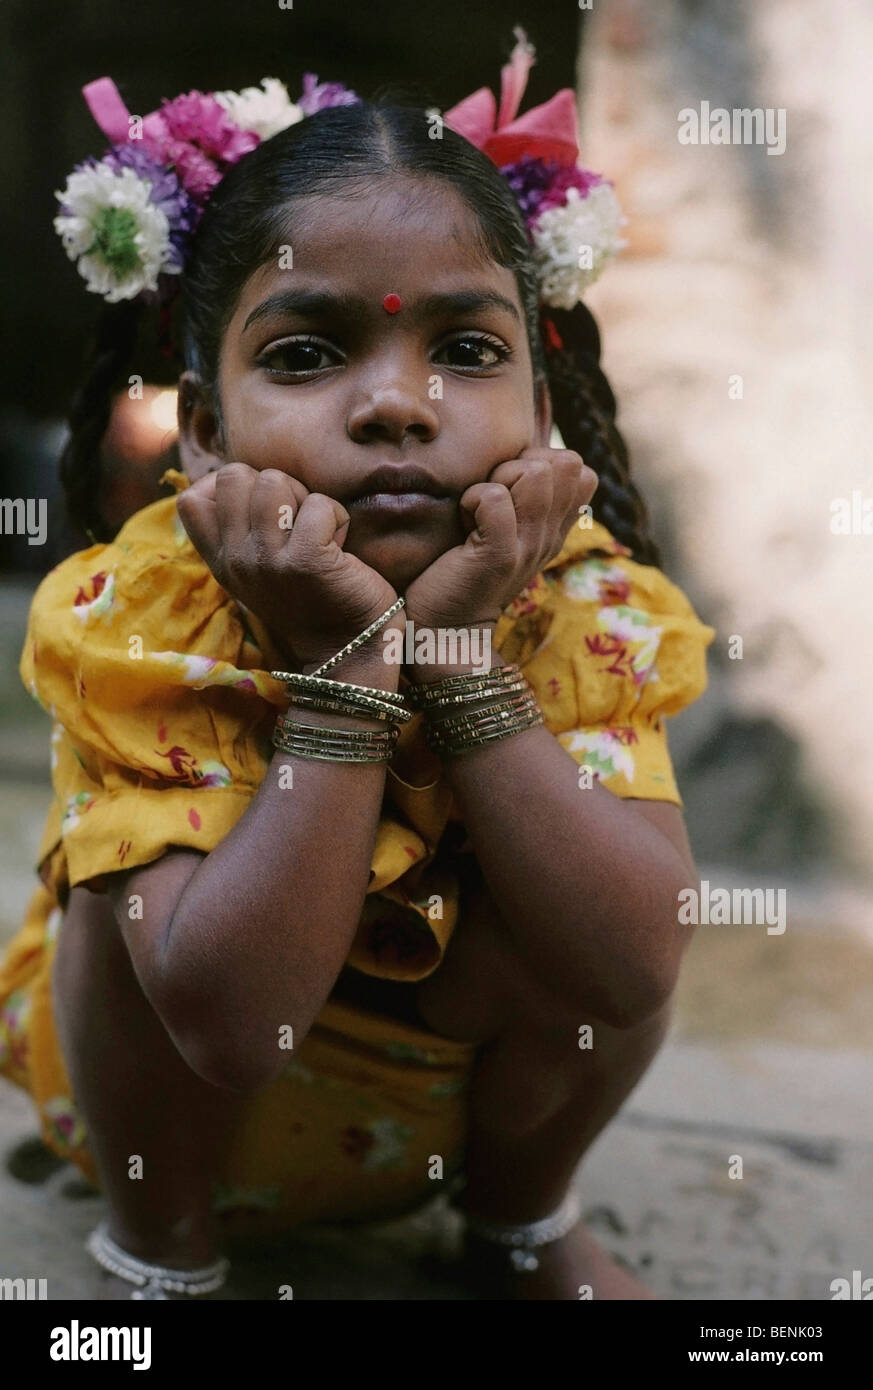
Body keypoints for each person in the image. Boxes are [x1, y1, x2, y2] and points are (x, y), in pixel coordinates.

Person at [0, 49, 715, 1300]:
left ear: (543, 410)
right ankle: (158, 1250)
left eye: (468, 351)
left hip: (442, 1118)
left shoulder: (587, 601)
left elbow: (634, 966)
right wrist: (345, 674)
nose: (398, 402)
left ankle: (522, 1221)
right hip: (182, 1103)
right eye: (303, 354)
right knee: (118, 917)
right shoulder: (145, 608)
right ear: (206, 429)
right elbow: (222, 1024)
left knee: (587, 872)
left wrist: (455, 657)